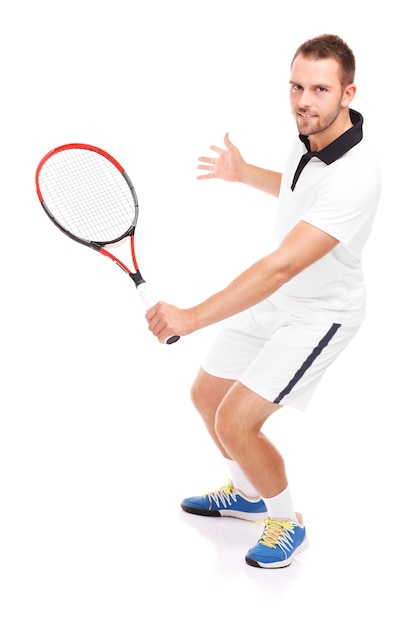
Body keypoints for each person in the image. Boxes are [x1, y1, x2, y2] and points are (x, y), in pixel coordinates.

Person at [146, 34, 381, 569]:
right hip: (281, 299)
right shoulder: (310, 139)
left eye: (320, 88)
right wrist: (242, 172)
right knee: (207, 396)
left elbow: (280, 266)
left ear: (348, 92)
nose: (304, 100)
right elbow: (300, 191)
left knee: (236, 421)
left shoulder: (357, 175)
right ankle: (249, 496)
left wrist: (191, 316)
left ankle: (285, 520)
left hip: (321, 314)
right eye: (297, 86)